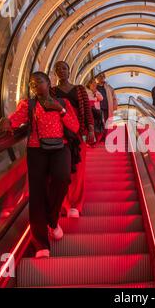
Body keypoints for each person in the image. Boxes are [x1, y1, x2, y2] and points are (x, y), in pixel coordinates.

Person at [0, 71, 79, 258]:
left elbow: (74, 127)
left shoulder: (63, 103)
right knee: (37, 194)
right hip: (37, 150)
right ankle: (41, 243)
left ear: (49, 83)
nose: (35, 86)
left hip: (60, 147)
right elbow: (16, 119)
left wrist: (60, 109)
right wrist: (6, 123)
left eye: (39, 82)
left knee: (62, 178)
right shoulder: (29, 104)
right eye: (32, 83)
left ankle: (52, 218)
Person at [51, 61, 94, 218]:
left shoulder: (80, 90)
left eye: (64, 68)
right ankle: (64, 203)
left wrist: (90, 129)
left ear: (69, 72)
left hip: (77, 134)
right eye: (58, 69)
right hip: (59, 134)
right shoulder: (52, 91)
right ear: (55, 74)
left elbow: (87, 111)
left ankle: (76, 204)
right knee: (62, 170)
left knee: (78, 168)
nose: (61, 71)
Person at [96, 72, 118, 138]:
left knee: (106, 122)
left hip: (107, 108)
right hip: (98, 108)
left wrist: (114, 107)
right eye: (100, 76)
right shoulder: (95, 87)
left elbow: (114, 98)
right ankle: (100, 136)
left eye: (103, 76)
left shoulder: (109, 87)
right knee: (99, 122)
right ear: (97, 78)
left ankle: (106, 136)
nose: (101, 77)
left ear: (105, 77)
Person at [86, 78, 104, 144]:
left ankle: (96, 139)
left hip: (96, 110)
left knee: (96, 124)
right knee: (90, 124)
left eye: (95, 83)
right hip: (89, 109)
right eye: (92, 83)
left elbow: (101, 98)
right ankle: (91, 140)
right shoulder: (86, 91)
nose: (94, 84)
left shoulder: (96, 91)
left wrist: (95, 92)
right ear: (89, 84)